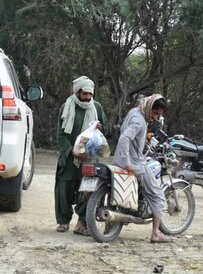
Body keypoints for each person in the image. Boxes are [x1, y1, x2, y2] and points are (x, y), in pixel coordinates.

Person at [55, 76, 108, 235]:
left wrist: (100, 128)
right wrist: (71, 150)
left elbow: (106, 128)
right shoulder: (67, 107)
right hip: (70, 159)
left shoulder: (96, 107)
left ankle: (82, 223)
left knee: (87, 189)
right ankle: (63, 221)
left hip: (89, 158)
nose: (87, 98)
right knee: (64, 189)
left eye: (90, 94)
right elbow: (60, 135)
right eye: (84, 94)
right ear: (77, 92)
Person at [113, 94, 170, 243]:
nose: (156, 117)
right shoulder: (139, 121)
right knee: (157, 195)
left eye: (159, 115)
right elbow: (125, 137)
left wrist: (143, 139)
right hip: (134, 163)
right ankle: (156, 233)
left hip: (119, 159)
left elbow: (129, 135)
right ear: (150, 107)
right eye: (155, 113)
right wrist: (128, 162)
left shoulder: (135, 112)